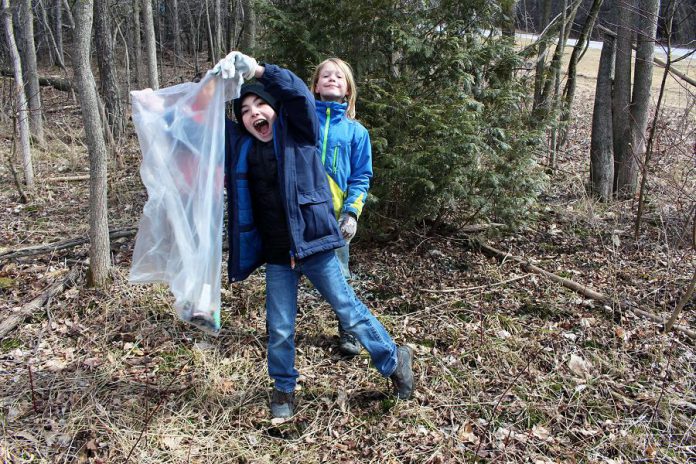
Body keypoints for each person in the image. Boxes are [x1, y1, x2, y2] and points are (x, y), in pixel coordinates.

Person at [218, 51, 414, 418]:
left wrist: (259, 70)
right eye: (245, 110)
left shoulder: (300, 133)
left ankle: (393, 359)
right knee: (279, 328)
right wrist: (215, 87)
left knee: (349, 312)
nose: (254, 113)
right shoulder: (242, 147)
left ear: (278, 110)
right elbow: (210, 123)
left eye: (261, 104)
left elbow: (294, 93)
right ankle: (283, 389)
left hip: (315, 244)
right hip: (278, 254)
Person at [309, 58, 373, 357]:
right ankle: (279, 326)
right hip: (299, 213)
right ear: (316, 86)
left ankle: (347, 328)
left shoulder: (356, 132)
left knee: (340, 274)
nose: (332, 79)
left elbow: (361, 176)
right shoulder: (301, 119)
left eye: (338, 76)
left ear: (348, 89)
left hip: (335, 218)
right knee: (286, 271)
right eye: (325, 75)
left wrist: (351, 213)